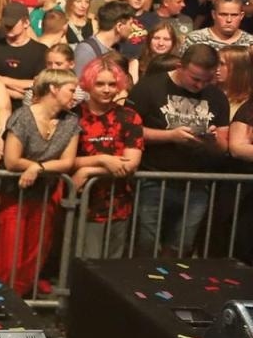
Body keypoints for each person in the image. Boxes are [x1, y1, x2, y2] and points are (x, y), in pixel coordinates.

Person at [129, 43, 231, 257]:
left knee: (182, 246)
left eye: (207, 79)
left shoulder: (217, 97)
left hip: (196, 183)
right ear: (180, 66)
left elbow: (223, 146)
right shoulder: (149, 87)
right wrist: (169, 136)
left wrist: (211, 141)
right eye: (195, 78)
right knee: (146, 243)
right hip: (153, 177)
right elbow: (129, 131)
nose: (200, 85)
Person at [0, 69, 80, 296]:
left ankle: (17, 306)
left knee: (34, 256)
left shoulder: (71, 121)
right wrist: (34, 167)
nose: (76, 95)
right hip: (14, 196)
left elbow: (67, 162)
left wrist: (37, 167)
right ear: (53, 88)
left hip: (45, 196)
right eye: (71, 90)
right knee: (8, 257)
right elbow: (12, 161)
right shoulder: (22, 116)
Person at [69, 56, 144, 260]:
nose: (106, 89)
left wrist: (88, 169)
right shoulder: (72, 115)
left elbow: (130, 163)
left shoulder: (129, 116)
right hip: (81, 204)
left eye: (112, 84)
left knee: (112, 267)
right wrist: (103, 159)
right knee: (84, 263)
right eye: (100, 84)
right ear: (88, 84)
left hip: (119, 203)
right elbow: (64, 161)